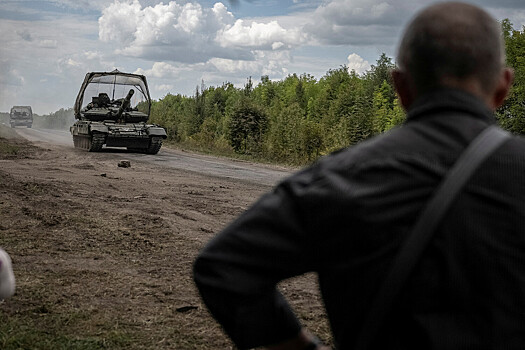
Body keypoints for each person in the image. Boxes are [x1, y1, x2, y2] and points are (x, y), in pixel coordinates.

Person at [193, 2, 525, 349]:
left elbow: (223, 267)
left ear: (400, 87)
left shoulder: (341, 177)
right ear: (503, 86)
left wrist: (299, 345)